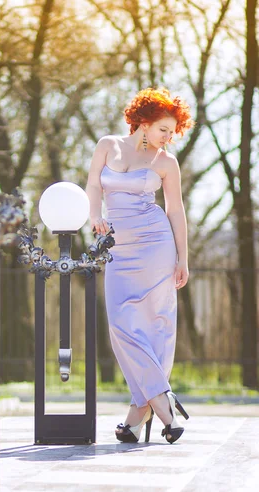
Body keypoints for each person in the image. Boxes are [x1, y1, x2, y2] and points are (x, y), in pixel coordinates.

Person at [86, 87, 194, 444]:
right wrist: (94, 216)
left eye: (173, 131)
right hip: (119, 248)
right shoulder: (107, 145)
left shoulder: (166, 162)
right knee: (120, 325)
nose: (169, 137)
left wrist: (183, 258)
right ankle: (162, 402)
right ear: (144, 122)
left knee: (155, 326)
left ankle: (140, 414)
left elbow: (175, 210)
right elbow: (93, 187)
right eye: (164, 128)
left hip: (155, 246)